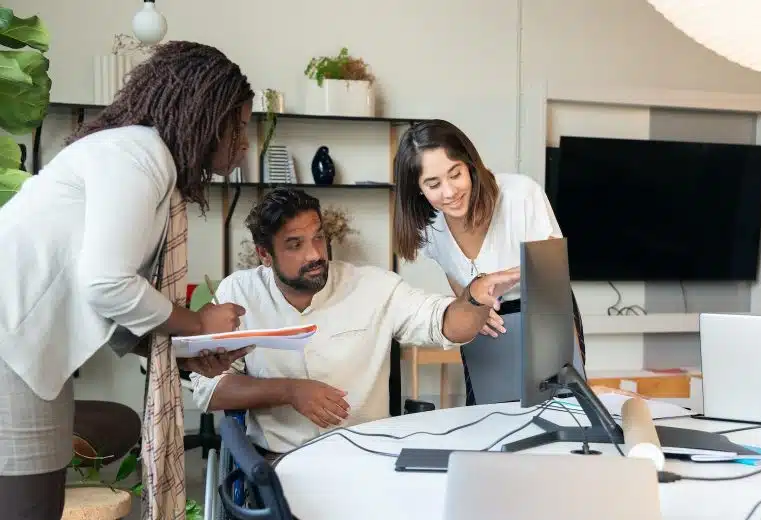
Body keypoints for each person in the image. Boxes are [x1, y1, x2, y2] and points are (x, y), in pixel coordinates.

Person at [0, 41, 253, 520]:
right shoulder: (139, 155)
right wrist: (195, 324)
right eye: (237, 126)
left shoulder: (136, 155)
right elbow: (107, 284)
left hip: (25, 354)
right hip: (10, 351)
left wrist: (185, 356)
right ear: (204, 114)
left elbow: (103, 297)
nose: (243, 143)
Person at [190, 187, 520, 461]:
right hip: (278, 460)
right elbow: (210, 390)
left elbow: (446, 324)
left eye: (318, 237)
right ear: (265, 255)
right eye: (295, 245)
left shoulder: (371, 286)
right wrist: (289, 391)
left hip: (367, 456)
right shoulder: (238, 292)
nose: (314, 254)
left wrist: (474, 297)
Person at [392, 119, 586, 406]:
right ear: (418, 189)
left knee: (561, 405)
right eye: (433, 184)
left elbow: (550, 275)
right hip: (485, 320)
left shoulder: (520, 194)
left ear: (470, 164)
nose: (449, 192)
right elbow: (457, 276)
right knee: (484, 412)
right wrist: (471, 308)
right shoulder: (430, 227)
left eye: (455, 174)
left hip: (544, 308)